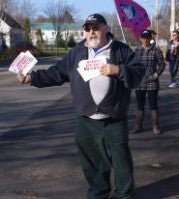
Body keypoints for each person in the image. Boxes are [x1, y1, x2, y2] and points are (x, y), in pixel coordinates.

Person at [17, 13, 145, 199]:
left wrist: (118, 70)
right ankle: (98, 193)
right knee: (93, 161)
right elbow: (56, 73)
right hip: (86, 118)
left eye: (96, 27)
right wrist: (31, 78)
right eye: (87, 28)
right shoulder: (76, 53)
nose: (91, 32)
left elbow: (139, 71)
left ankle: (124, 194)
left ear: (106, 28)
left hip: (114, 117)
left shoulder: (121, 50)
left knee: (121, 160)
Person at [131, 30, 166, 135]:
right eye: (143, 37)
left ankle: (155, 126)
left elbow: (162, 64)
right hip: (140, 82)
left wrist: (156, 75)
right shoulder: (137, 51)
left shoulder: (156, 51)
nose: (145, 40)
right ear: (140, 38)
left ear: (150, 38)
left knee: (153, 105)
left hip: (152, 82)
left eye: (147, 37)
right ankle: (138, 126)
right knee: (139, 105)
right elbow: (132, 65)